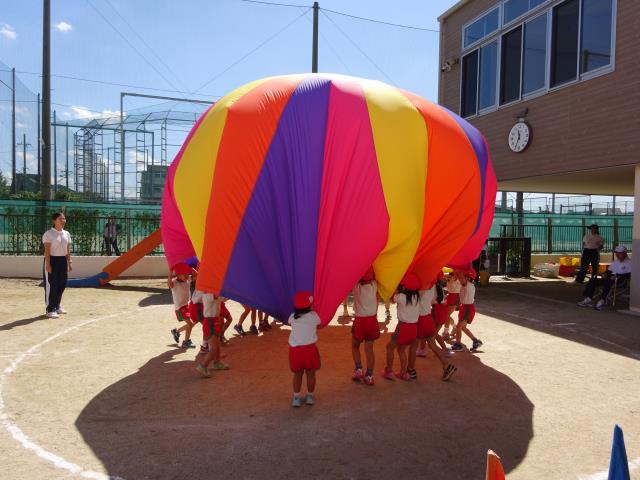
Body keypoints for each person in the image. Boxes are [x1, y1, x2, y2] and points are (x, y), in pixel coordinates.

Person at [410, 280, 457, 381]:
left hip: (421, 320)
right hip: (428, 318)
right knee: (432, 345)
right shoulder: (431, 287)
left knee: (413, 346)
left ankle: (410, 371)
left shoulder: (419, 288)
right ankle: (447, 365)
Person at [382, 273, 420, 381]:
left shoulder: (401, 297)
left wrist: (396, 288)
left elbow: (391, 298)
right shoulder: (416, 297)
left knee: (390, 347)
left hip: (403, 327)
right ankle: (404, 373)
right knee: (401, 349)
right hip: (414, 328)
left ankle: (389, 371)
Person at [288, 291, 321, 407]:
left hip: (295, 351)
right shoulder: (314, 317)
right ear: (310, 306)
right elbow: (319, 323)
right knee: (311, 373)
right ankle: (310, 396)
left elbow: (289, 322)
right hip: (310, 350)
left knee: (297, 374)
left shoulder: (292, 317)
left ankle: (296, 397)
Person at [578, 245, 632, 310]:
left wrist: (617, 276)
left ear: (625, 253)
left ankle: (602, 300)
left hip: (620, 280)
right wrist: (605, 274)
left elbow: (630, 275)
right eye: (616, 253)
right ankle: (588, 298)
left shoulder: (630, 262)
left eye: (619, 253)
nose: (617, 255)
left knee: (608, 282)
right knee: (593, 280)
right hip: (610, 278)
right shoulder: (616, 262)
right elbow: (609, 271)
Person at [351, 267, 379, 386]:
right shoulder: (374, 286)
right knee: (369, 350)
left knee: (355, 346)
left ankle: (358, 369)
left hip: (360, 321)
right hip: (372, 321)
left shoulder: (356, 288)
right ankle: (369, 376)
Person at [42, 212, 72, 318]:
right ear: (54, 221)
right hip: (52, 260)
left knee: (62, 284)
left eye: (64, 218)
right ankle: (50, 309)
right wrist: (48, 264)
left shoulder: (66, 233)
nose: (63, 221)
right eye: (60, 219)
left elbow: (67, 249)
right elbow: (47, 251)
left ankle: (57, 306)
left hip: (62, 260)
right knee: (52, 285)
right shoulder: (48, 234)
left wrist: (69, 262)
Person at [196, 293, 230, 377]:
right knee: (214, 348)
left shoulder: (215, 295)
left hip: (215, 321)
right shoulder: (207, 295)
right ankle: (203, 366)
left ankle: (217, 363)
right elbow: (215, 296)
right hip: (210, 323)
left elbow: (224, 298)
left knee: (217, 345)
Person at [451, 269, 483, 352]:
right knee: (463, 328)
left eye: (465, 276)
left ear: (468, 278)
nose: (461, 277)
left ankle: (458, 344)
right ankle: (476, 341)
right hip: (465, 307)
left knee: (459, 327)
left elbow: (460, 275)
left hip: (467, 308)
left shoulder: (467, 284)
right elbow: (459, 276)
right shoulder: (468, 284)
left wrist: (457, 268)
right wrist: (456, 271)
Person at [169, 263, 196, 348]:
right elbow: (169, 284)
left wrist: (191, 268)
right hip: (180, 308)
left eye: (187, 274)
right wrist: (171, 272)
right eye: (184, 274)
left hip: (187, 306)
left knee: (192, 323)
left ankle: (176, 332)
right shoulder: (174, 282)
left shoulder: (188, 280)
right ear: (178, 275)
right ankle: (186, 342)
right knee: (190, 324)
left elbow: (197, 275)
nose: (187, 276)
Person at [444, 272, 461, 340]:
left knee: (446, 315)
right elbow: (442, 275)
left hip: (455, 298)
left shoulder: (458, 279)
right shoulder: (449, 277)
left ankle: (446, 332)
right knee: (446, 315)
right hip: (449, 297)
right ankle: (454, 327)